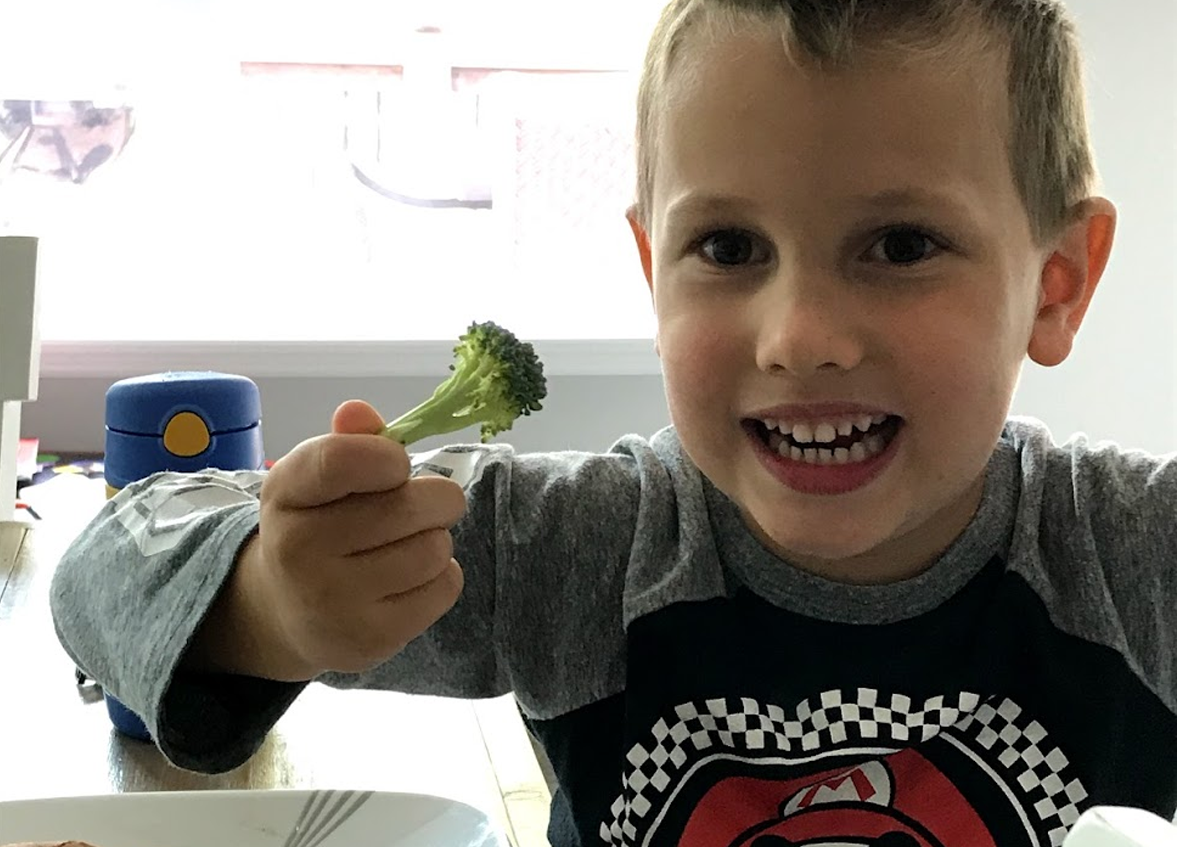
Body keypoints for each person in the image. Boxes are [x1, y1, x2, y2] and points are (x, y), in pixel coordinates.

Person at [50, 1, 1176, 845]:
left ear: (1057, 283)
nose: (798, 336)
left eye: (900, 245)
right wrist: (268, 600)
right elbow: (104, 564)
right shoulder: (583, 547)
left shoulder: (1133, 556)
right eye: (728, 249)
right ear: (652, 273)